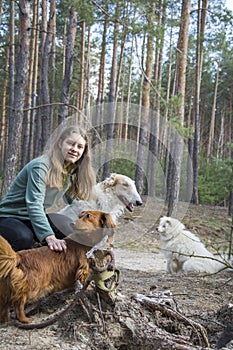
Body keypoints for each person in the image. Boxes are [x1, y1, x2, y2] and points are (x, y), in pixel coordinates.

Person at [0, 125, 96, 252]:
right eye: (70, 144)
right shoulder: (40, 166)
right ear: (60, 143)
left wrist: (95, 226)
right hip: (9, 217)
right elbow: (34, 204)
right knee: (23, 238)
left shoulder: (70, 171)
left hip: (31, 219)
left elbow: (75, 201)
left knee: (69, 229)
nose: (74, 149)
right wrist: (49, 236)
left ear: (84, 152)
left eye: (79, 147)